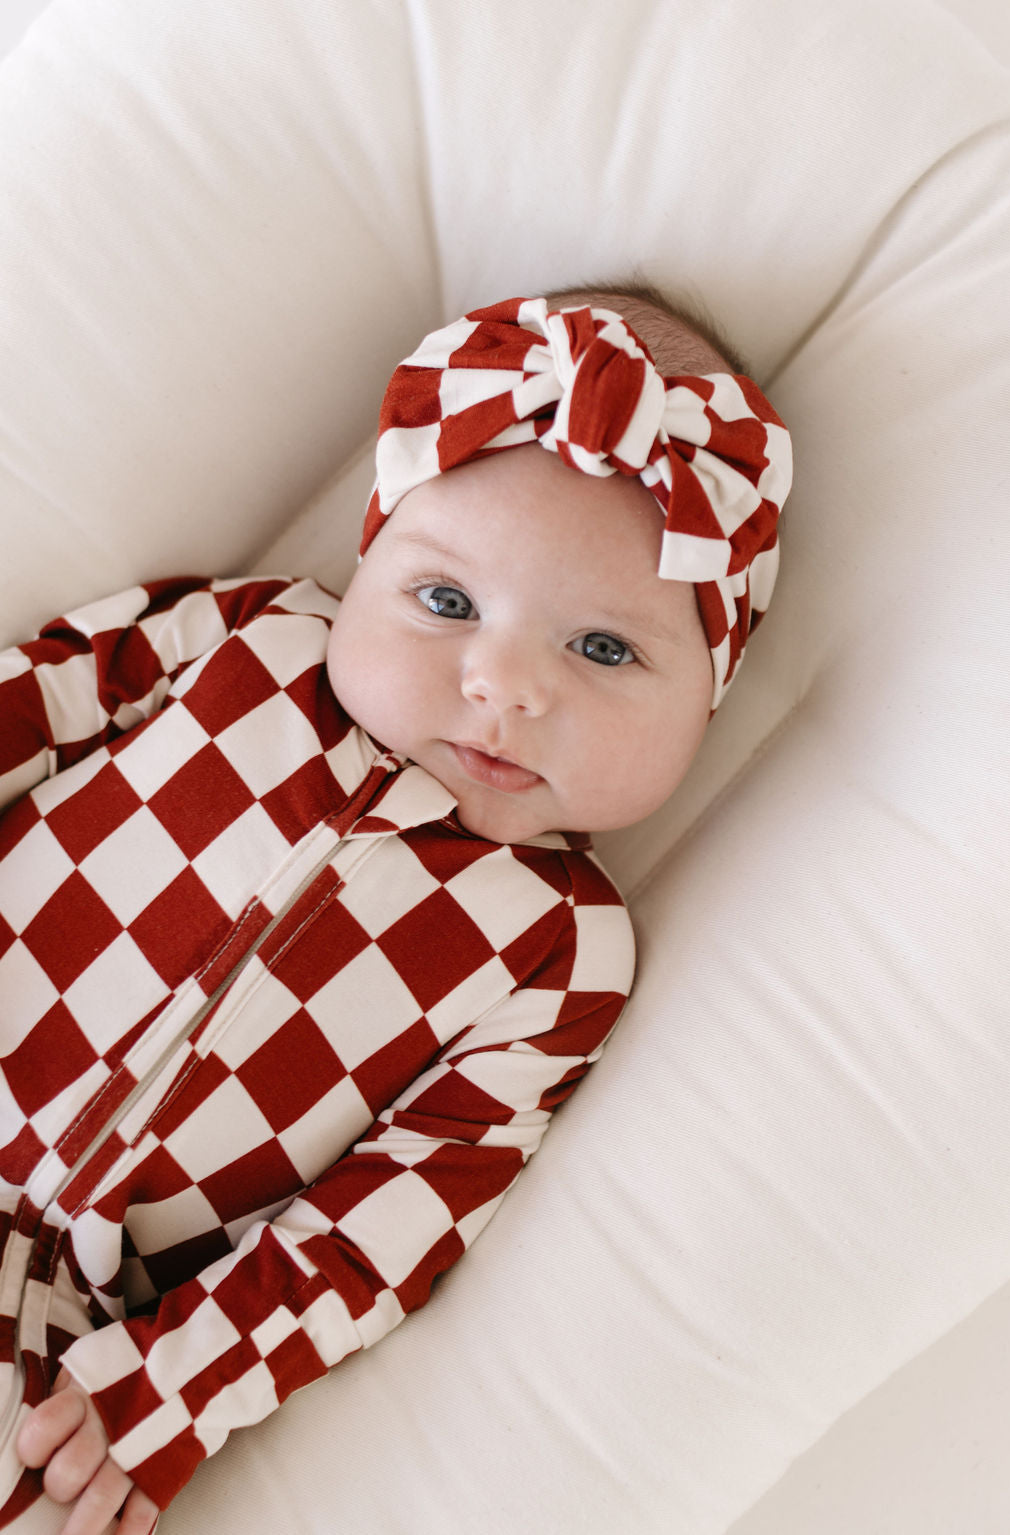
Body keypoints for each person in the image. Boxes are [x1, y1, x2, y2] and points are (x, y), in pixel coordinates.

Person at [0, 285, 792, 1532]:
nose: (500, 684)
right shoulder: (242, 642)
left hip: (54, 1303)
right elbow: (26, 708)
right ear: (369, 556)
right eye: (446, 601)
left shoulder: (556, 949)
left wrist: (167, 1387)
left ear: (712, 696)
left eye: (602, 649)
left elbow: (371, 1232)